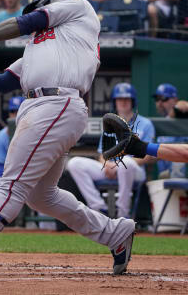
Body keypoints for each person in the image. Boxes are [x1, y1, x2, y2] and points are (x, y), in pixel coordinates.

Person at [0, 0, 137, 276]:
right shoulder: (48, 45)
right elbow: (1, 82)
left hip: (56, 103)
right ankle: (114, 233)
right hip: (43, 107)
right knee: (41, 196)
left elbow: (30, 21)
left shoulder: (77, 7)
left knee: (11, 185)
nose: (33, 19)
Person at [66, 83, 155, 218]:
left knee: (127, 162)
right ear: (115, 102)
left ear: (132, 101)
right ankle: (99, 208)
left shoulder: (145, 124)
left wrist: (118, 165)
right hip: (111, 168)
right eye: (120, 99)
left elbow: (149, 156)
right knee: (75, 163)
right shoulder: (111, 124)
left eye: (127, 99)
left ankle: (123, 214)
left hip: (134, 170)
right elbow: (102, 154)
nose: (123, 102)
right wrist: (107, 165)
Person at [0, 96, 24, 203]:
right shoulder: (2, 135)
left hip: (31, 179)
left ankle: (45, 221)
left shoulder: (35, 131)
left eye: (18, 111)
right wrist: (11, 180)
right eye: (12, 111)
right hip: (11, 179)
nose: (15, 115)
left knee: (43, 187)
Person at [152, 83, 188, 178]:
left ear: (175, 100)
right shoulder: (159, 124)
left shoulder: (180, 115)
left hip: (181, 176)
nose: (159, 103)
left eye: (164, 99)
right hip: (165, 176)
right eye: (157, 99)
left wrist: (175, 109)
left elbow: (183, 105)